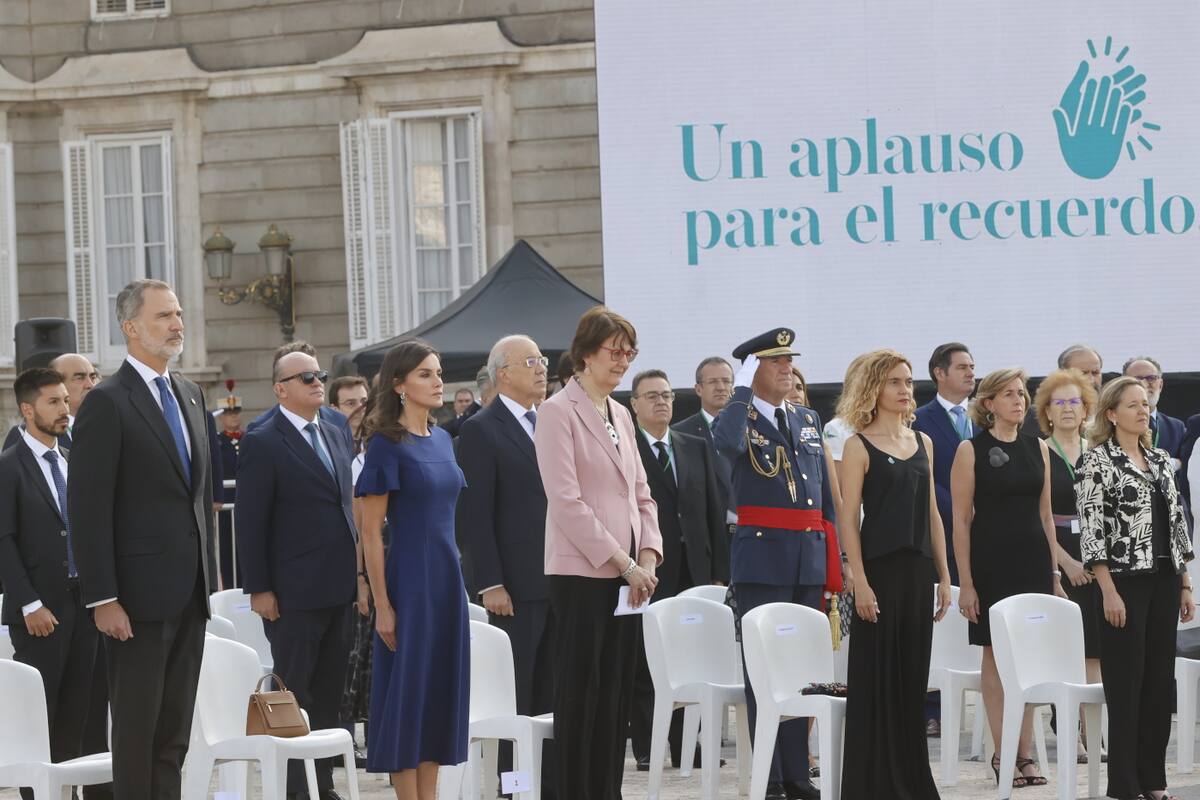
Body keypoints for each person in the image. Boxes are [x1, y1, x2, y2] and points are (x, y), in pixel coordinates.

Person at [67, 279, 215, 798]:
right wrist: (103, 597)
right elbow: (87, 509)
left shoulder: (193, 396)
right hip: (133, 600)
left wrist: (208, 582)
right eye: (163, 317)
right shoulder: (107, 402)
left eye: (178, 314)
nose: (177, 324)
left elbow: (199, 501)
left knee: (173, 734)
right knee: (136, 731)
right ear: (130, 327)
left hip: (190, 594)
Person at [535, 306, 662, 800]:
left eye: (629, 352)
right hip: (582, 572)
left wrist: (648, 556)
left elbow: (642, 494)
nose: (623, 361)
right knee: (581, 692)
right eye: (615, 351)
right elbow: (566, 502)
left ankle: (607, 790)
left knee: (615, 694)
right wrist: (624, 563)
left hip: (630, 576)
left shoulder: (623, 413)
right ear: (585, 354)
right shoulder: (557, 411)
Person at [712, 327, 840, 800]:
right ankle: (768, 774)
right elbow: (724, 445)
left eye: (790, 360)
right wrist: (741, 391)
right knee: (764, 670)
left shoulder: (806, 417)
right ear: (753, 369)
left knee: (804, 668)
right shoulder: (738, 418)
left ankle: (796, 773)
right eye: (775, 361)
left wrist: (833, 558)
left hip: (807, 558)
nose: (787, 368)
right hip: (762, 558)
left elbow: (824, 497)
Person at [237, 351, 357, 800]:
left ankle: (321, 784)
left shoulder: (335, 427)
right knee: (296, 692)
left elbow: (343, 503)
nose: (317, 381)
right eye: (305, 377)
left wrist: (359, 579)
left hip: (338, 585)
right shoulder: (263, 439)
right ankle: (294, 790)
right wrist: (260, 588)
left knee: (331, 694)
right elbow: (250, 520)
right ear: (280, 387)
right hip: (292, 591)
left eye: (320, 375)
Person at [836, 350, 951, 800]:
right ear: (873, 389)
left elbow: (933, 515)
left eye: (908, 382)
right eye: (896, 383)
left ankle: (911, 783)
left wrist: (944, 575)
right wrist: (859, 582)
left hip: (918, 574)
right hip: (879, 576)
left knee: (910, 681)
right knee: (876, 680)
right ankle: (872, 786)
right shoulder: (856, 445)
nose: (907, 390)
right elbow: (849, 521)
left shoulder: (923, 442)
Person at [357, 339, 469, 800]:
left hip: (448, 583)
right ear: (400, 385)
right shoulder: (385, 444)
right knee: (408, 699)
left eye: (439, 371)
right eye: (425, 373)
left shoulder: (444, 439)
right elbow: (369, 531)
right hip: (409, 583)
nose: (438, 380)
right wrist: (383, 603)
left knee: (437, 698)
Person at [1078, 377, 1195, 800]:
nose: (1143, 411)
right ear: (1111, 414)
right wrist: (1107, 589)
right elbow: (1092, 533)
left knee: (1159, 683)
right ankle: (1125, 786)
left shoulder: (1162, 459)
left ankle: (1154, 781)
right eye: (1132, 405)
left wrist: (1184, 583)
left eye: (1145, 404)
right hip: (1122, 583)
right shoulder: (1096, 463)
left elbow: (1177, 524)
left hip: (1165, 580)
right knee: (1127, 684)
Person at [455, 334, 556, 797]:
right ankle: (515, 784)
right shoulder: (481, 429)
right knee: (520, 691)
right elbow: (476, 514)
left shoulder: (553, 420)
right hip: (514, 583)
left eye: (542, 360)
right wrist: (490, 581)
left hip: (561, 577)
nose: (541, 368)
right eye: (530, 361)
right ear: (503, 373)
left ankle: (552, 780)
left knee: (557, 688)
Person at [951, 367, 1062, 788]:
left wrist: (1053, 572)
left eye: (1023, 393)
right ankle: (1004, 755)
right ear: (989, 403)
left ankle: (1026, 754)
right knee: (996, 658)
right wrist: (968, 582)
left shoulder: (1040, 448)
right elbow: (960, 520)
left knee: (1030, 659)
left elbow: (1046, 515)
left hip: (1033, 562)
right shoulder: (970, 449)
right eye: (1010, 394)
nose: (1020, 400)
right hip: (991, 564)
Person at [0, 368, 100, 800]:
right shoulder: (8, 467)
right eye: (54, 402)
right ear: (28, 409)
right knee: (38, 717)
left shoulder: (74, 457)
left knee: (77, 715)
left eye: (65, 400)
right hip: (40, 611)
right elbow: (3, 541)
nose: (65, 409)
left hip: (85, 604)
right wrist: (28, 604)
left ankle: (67, 793)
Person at [627, 368, 730, 771]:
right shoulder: (625, 448)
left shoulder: (693, 445)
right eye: (651, 396)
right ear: (633, 404)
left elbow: (713, 512)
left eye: (667, 395)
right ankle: (649, 745)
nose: (661, 402)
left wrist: (718, 572)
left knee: (694, 657)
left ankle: (693, 744)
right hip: (649, 569)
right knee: (646, 660)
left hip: (696, 570)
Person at [1032, 368, 1102, 757]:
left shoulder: (1097, 451)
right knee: (1067, 650)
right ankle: (1068, 732)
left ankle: (1094, 734)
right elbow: (1038, 517)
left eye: (1074, 401)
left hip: (1098, 557)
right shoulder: (1040, 451)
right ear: (1047, 411)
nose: (1068, 409)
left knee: (1096, 651)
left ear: (1087, 407)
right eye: (1059, 402)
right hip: (1058, 552)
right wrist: (1066, 562)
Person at [913, 342, 976, 586]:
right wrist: (962, 509)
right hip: (946, 534)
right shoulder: (918, 421)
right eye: (962, 367)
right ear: (940, 373)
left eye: (972, 367)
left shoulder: (987, 418)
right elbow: (925, 477)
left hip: (986, 534)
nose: (971, 373)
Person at [673, 355, 737, 535]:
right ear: (698, 389)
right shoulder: (680, 434)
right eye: (713, 382)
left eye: (726, 381)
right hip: (706, 534)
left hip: (751, 534)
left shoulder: (750, 428)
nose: (721, 387)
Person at [3, 353, 97, 451]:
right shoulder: (23, 433)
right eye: (79, 378)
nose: (90, 385)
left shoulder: (102, 426)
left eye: (93, 377)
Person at [1122, 356, 1186, 467]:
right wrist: (1171, 463)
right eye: (1137, 379)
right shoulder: (1114, 422)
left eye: (1151, 378)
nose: (1144, 384)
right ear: (1122, 385)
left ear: (1160, 385)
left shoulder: (1177, 428)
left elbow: (1187, 466)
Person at [214, 382, 243, 589]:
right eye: (229, 414)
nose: (233, 417)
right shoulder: (217, 443)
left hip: (245, 505)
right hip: (226, 509)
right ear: (222, 417)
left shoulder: (249, 439)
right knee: (227, 552)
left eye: (236, 413)